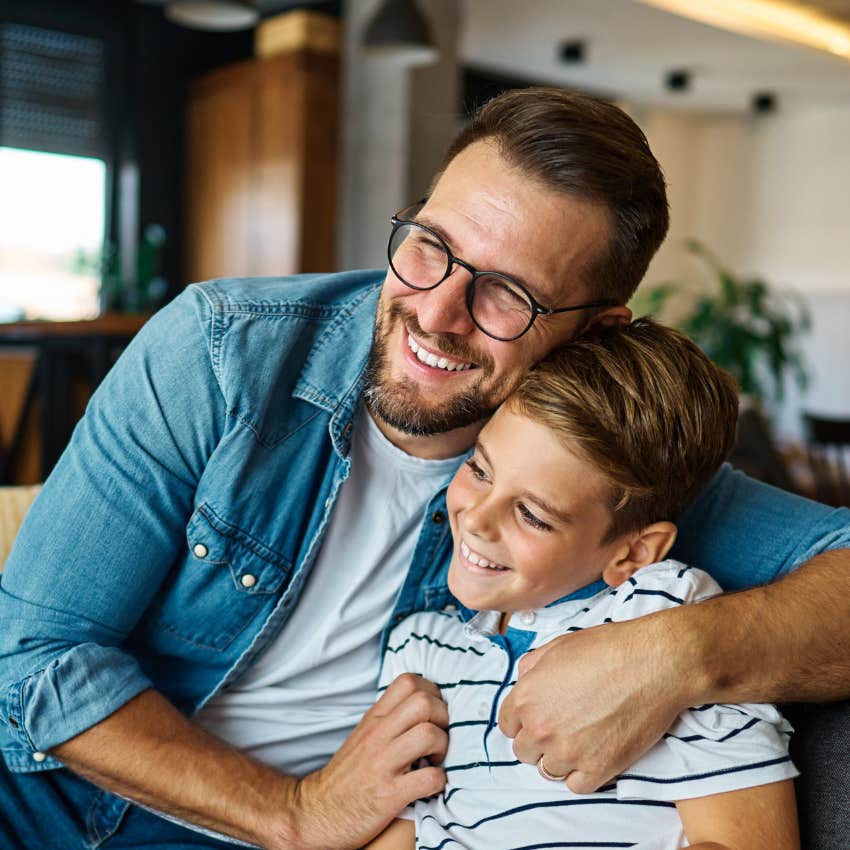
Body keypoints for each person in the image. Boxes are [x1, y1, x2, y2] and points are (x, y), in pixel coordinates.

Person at [0, 88, 847, 849]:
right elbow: (34, 659)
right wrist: (293, 813)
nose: (435, 314)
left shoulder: (600, 470)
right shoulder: (223, 353)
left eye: (507, 294)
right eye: (429, 245)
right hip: (52, 802)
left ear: (596, 332)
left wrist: (678, 655)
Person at [366, 318, 798, 850]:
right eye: (480, 470)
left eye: (532, 514)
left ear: (633, 553)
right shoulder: (421, 649)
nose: (477, 519)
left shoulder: (663, 616)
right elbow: (401, 828)